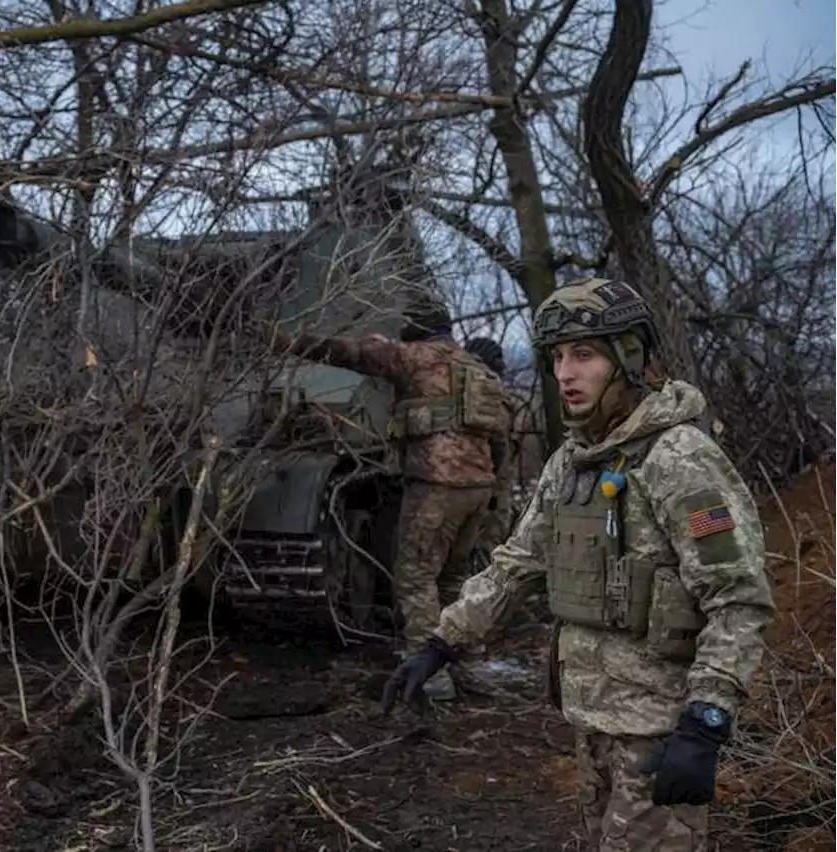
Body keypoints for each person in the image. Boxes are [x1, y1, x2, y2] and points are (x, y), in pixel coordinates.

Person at [382, 277, 777, 850]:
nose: (565, 372)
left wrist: (706, 719)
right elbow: (516, 563)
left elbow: (739, 598)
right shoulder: (573, 461)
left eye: (584, 355)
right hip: (591, 722)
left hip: (658, 733)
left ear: (630, 357)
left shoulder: (680, 461)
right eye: (557, 357)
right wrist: (440, 642)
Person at [270, 288, 507, 699]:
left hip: (436, 485)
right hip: (477, 488)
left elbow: (350, 354)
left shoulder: (414, 357)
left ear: (415, 328)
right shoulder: (478, 368)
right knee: (455, 581)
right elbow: (499, 439)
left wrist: (286, 341)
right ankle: (468, 665)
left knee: (416, 578)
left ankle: (428, 671)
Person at [463, 336, 525, 563]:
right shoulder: (496, 401)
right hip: (489, 496)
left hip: (490, 497)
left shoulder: (488, 402)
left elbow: (500, 450)